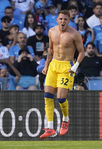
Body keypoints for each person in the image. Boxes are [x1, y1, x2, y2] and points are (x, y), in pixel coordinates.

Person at [39, 10, 85, 139]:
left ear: (69, 20)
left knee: (60, 98)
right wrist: (46, 66)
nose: (63, 21)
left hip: (67, 67)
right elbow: (50, 49)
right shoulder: (51, 31)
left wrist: (75, 66)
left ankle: (65, 119)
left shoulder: (75, 34)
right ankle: (49, 128)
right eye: (61, 19)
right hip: (53, 65)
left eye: (65, 19)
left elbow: (82, 52)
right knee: (47, 96)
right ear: (57, 20)